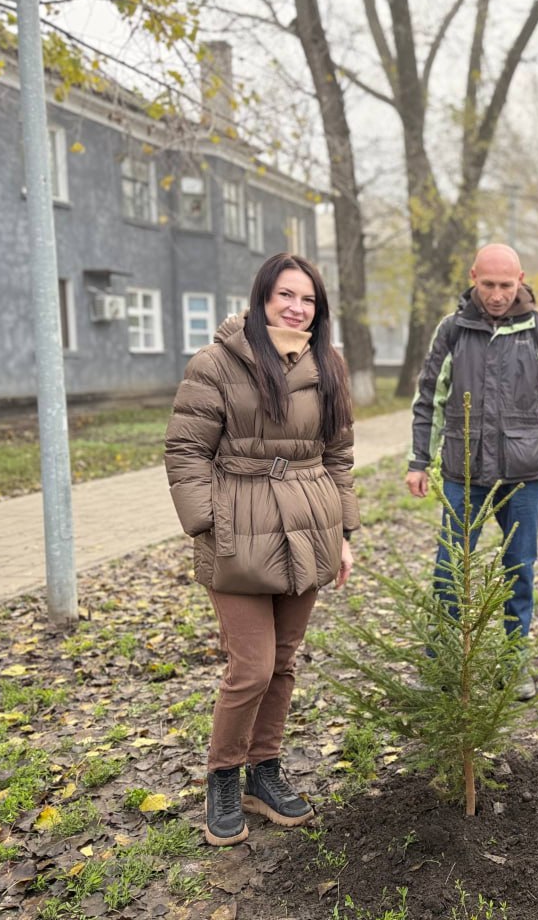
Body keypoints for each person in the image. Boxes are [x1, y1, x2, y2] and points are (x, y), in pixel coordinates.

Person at [165, 252, 358, 847]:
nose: (297, 308)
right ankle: (223, 778)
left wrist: (344, 534)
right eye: (285, 295)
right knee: (250, 667)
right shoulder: (217, 362)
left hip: (309, 524)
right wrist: (207, 523)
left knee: (284, 662)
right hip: (239, 529)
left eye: (308, 299)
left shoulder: (329, 365)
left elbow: (338, 455)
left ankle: (263, 774)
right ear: (262, 298)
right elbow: (186, 450)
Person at [406, 243, 538, 698]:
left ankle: (513, 665)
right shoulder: (452, 330)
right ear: (473, 277)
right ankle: (441, 664)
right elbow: (429, 397)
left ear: (521, 280)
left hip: (525, 473)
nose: (496, 295)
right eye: (488, 284)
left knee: (519, 570)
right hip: (463, 471)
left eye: (506, 285)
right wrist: (418, 460)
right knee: (450, 570)